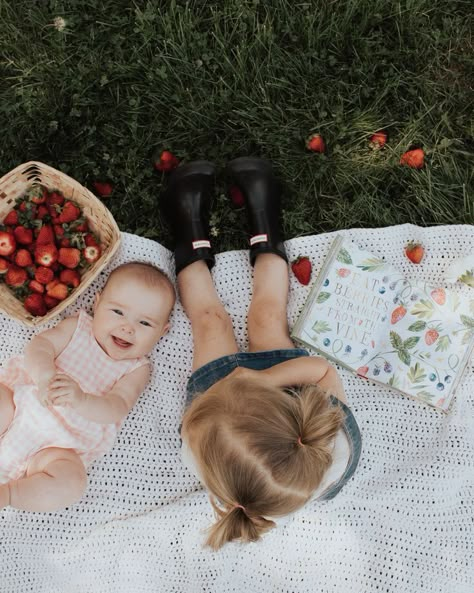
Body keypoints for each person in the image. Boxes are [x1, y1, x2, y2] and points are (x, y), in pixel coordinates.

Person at [160, 157, 362, 550]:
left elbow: (192, 428)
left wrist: (223, 396)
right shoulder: (327, 443)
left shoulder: (210, 455)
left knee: (209, 320)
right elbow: (319, 372)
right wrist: (263, 380)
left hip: (215, 393)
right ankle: (265, 223)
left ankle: (187, 230)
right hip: (285, 381)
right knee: (267, 314)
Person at [0, 262, 175, 512]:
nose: (128, 327)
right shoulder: (77, 327)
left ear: (163, 331)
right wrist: (45, 376)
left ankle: (9, 493)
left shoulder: (136, 369)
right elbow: (40, 346)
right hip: (20, 406)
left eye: (145, 324)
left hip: (56, 448)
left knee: (73, 481)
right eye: (118, 312)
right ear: (97, 303)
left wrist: (81, 400)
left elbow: (117, 407)